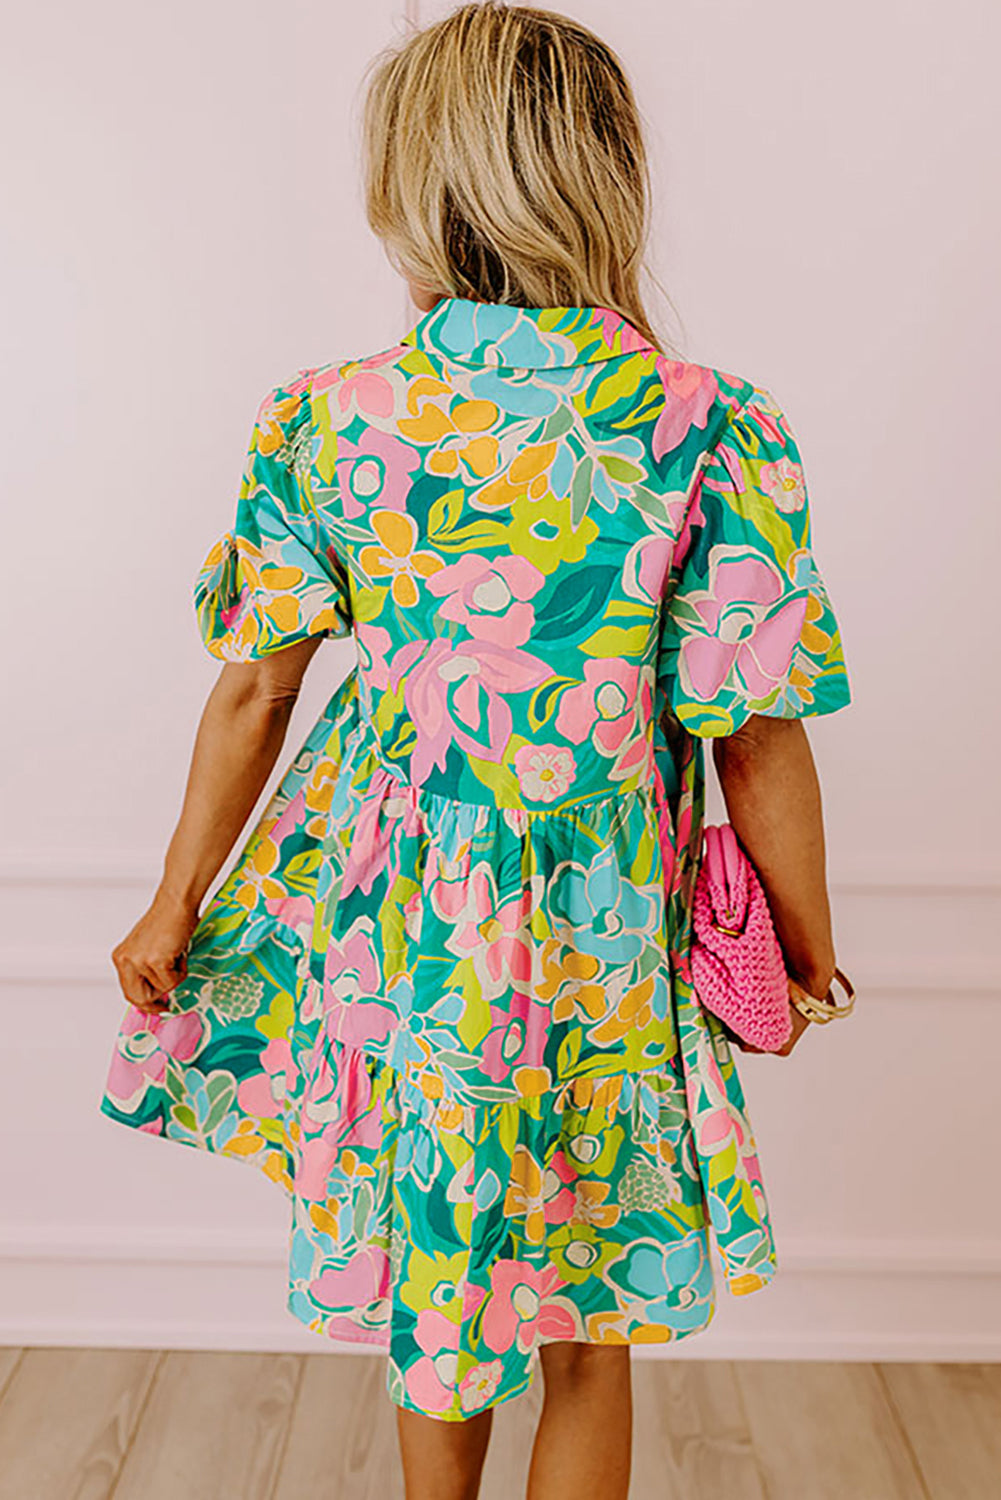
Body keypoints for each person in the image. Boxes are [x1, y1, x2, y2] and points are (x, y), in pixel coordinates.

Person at [100, 4, 853, 1498]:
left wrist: (173, 902)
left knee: (431, 1297)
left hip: (402, 932)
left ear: (413, 183)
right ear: (604, 174)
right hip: (601, 934)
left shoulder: (328, 422)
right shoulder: (707, 425)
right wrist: (805, 941)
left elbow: (254, 694)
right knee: (588, 1325)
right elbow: (756, 732)